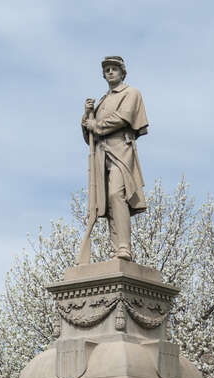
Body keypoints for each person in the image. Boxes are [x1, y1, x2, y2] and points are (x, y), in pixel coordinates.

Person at [81, 56, 148, 261]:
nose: (110, 72)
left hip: (121, 150)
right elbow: (90, 138)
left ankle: (124, 246)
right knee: (107, 203)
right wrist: (87, 116)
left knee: (117, 195)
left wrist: (96, 125)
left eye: (114, 68)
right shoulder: (102, 101)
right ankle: (116, 249)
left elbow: (123, 117)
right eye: (107, 69)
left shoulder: (131, 93)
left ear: (122, 72)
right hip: (102, 153)